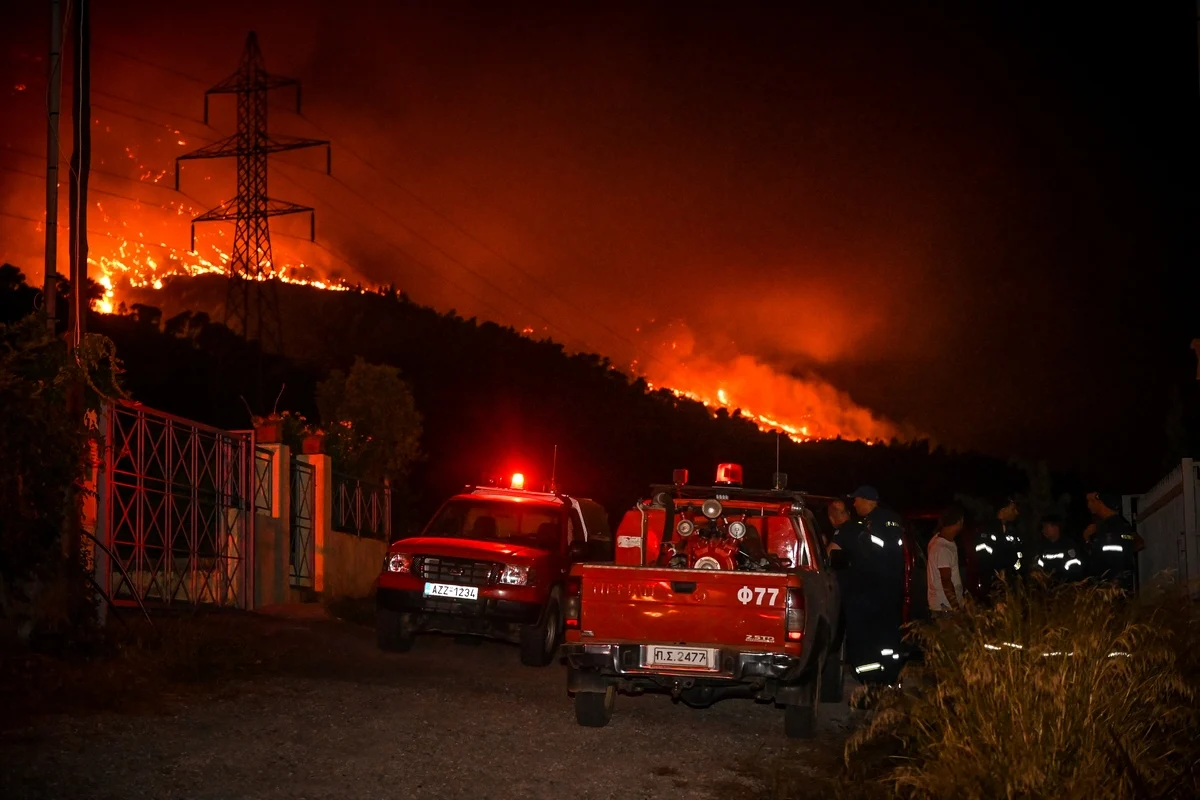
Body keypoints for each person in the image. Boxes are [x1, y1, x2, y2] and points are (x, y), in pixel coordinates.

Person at [841, 485, 907, 685]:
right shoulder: (893, 520)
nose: (854, 504)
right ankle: (889, 677)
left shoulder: (871, 524)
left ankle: (869, 681)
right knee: (887, 640)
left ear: (867, 500)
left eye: (856, 500)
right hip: (889, 593)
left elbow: (872, 555)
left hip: (870, 593)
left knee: (864, 639)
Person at [1083, 492, 1139, 592]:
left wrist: (1087, 538)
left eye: (1092, 501)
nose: (1088, 505)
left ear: (1101, 503)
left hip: (1112, 585)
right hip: (1110, 583)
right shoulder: (1118, 523)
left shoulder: (1112, 525)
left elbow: (1138, 543)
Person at [972, 496, 1022, 595]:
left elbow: (1018, 554)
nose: (1016, 512)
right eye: (1013, 509)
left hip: (1012, 585)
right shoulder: (987, 530)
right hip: (994, 586)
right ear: (1002, 511)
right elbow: (983, 559)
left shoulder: (1012, 530)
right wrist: (995, 578)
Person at [927, 506, 965, 616]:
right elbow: (946, 581)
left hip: (945, 606)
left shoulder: (941, 541)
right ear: (959, 522)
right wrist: (956, 607)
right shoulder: (942, 548)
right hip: (945, 607)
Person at [1032, 514, 1086, 584]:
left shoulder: (1068, 546)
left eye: (1046, 527)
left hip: (1065, 588)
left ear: (1055, 527)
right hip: (1047, 588)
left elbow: (1074, 571)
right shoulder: (1043, 547)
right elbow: (1038, 566)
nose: (1043, 530)